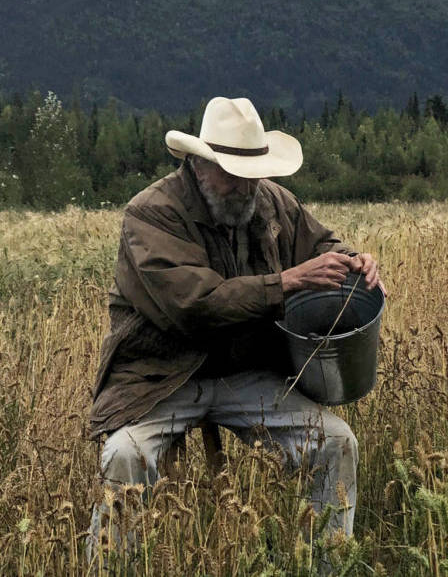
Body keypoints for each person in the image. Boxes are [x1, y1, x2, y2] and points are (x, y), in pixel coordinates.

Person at [86, 96, 384, 564]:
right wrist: (287, 282)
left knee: (336, 443)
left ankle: (326, 568)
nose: (245, 187)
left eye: (253, 174)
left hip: (248, 372)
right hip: (163, 377)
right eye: (232, 175)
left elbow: (321, 242)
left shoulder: (271, 201)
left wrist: (352, 260)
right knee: (125, 456)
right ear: (199, 165)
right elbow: (195, 305)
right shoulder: (152, 214)